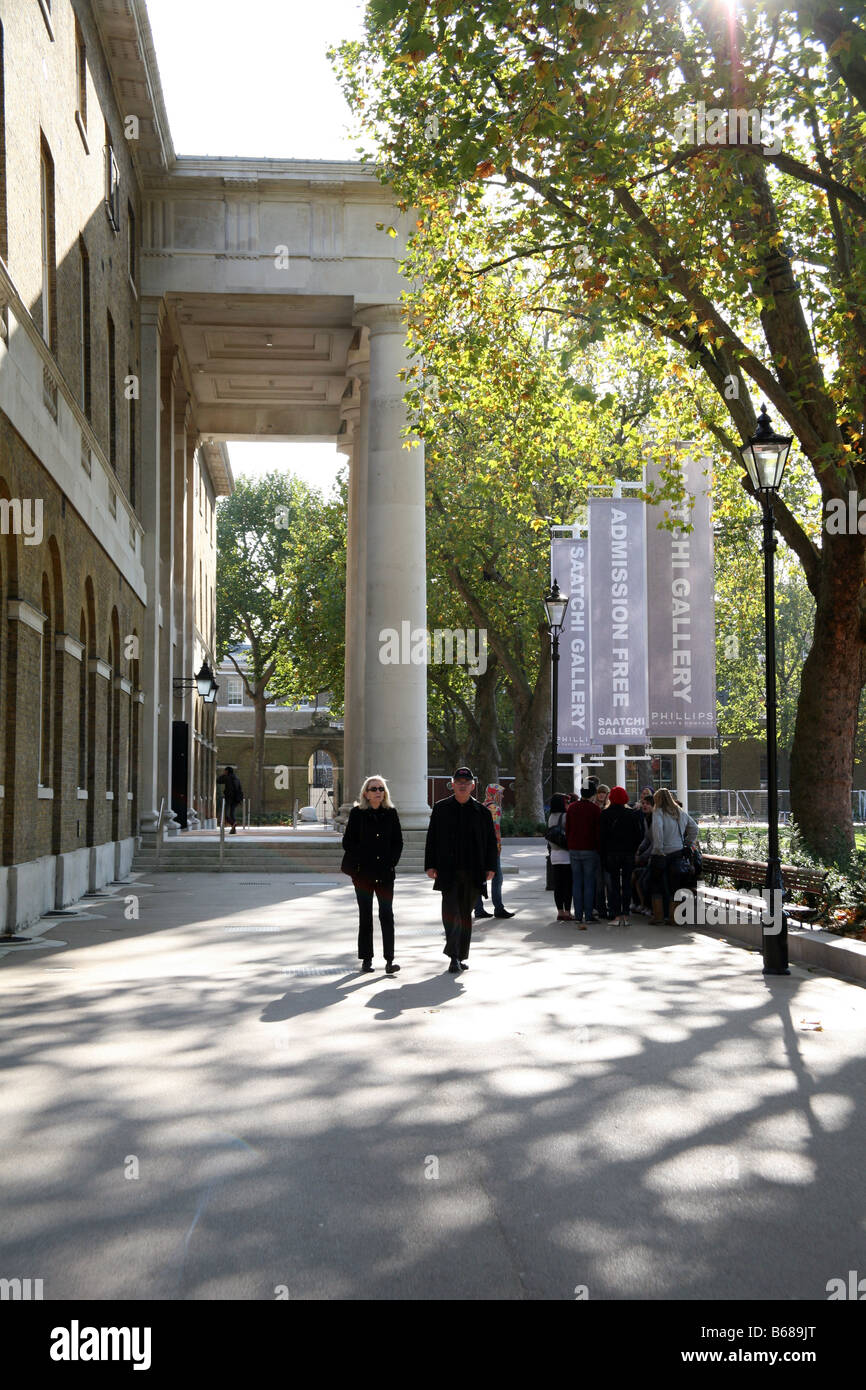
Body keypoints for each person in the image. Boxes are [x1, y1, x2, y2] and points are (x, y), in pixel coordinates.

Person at [425, 767, 498, 973]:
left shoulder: (482, 812)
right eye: (459, 781)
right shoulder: (441, 808)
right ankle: (454, 956)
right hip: (448, 871)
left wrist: (491, 867)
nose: (463, 784)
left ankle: (459, 955)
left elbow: (491, 842)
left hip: (473, 872)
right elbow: (432, 839)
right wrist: (430, 865)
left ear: (473, 785)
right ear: (453, 784)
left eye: (466, 781)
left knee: (465, 915)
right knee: (451, 913)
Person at [341, 775, 403, 974]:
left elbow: (398, 843)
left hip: (385, 874)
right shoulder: (357, 814)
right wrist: (360, 863)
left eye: (381, 789)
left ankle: (389, 960)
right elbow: (347, 843)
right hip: (363, 875)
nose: (378, 792)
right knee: (365, 916)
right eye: (373, 788)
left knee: (387, 915)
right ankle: (366, 959)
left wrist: (390, 863)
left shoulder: (391, 813)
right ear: (365, 794)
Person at [649, 788, 699, 924]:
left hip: (661, 853)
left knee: (656, 884)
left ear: (657, 799)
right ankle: (673, 917)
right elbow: (694, 828)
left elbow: (658, 830)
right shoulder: (680, 812)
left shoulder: (658, 811)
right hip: (677, 852)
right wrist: (687, 843)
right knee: (675, 885)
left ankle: (658, 917)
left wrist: (658, 848)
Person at [600, 786, 644, 927]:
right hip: (628, 854)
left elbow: (602, 838)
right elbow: (639, 836)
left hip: (612, 854)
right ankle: (626, 914)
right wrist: (634, 849)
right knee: (626, 884)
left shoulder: (605, 814)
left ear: (611, 797)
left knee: (613, 885)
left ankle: (616, 915)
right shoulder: (632, 814)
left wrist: (603, 854)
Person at [474, 783, 515, 920]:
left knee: (480, 878)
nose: (502, 796)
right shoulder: (494, 808)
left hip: (480, 848)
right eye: (500, 793)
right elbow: (494, 830)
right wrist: (496, 848)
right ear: (494, 793)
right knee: (497, 878)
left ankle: (478, 908)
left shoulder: (481, 805)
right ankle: (499, 908)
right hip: (492, 848)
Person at [565, 784, 602, 927]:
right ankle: (588, 914)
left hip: (574, 848)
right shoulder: (595, 809)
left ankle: (578, 915)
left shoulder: (572, 808)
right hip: (590, 849)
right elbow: (598, 831)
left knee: (577, 882)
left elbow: (567, 828)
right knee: (589, 882)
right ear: (593, 795)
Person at [546, 792, 573, 921]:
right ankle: (568, 911)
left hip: (554, 854)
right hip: (566, 854)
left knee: (558, 885)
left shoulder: (550, 816)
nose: (567, 804)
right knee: (568, 884)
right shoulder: (566, 816)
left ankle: (560, 912)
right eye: (566, 802)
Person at [216, 765, 243, 833]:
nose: (224, 772)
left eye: (224, 771)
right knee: (232, 813)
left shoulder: (227, 777)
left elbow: (218, 781)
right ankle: (233, 829)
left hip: (229, 798)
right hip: (236, 799)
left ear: (227, 771)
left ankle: (233, 823)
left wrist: (223, 775)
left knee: (226, 815)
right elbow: (240, 789)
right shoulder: (237, 778)